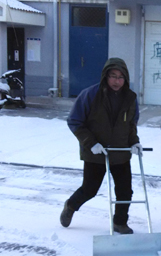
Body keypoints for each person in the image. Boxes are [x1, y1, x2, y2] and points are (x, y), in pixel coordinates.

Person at [60, 58, 143, 235]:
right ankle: (71, 205)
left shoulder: (130, 98)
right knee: (89, 189)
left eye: (121, 77)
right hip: (96, 152)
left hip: (120, 152)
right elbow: (75, 122)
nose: (116, 81)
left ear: (126, 78)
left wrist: (134, 141)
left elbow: (131, 124)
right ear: (105, 76)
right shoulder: (90, 95)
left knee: (125, 191)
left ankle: (120, 222)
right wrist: (91, 143)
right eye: (113, 76)